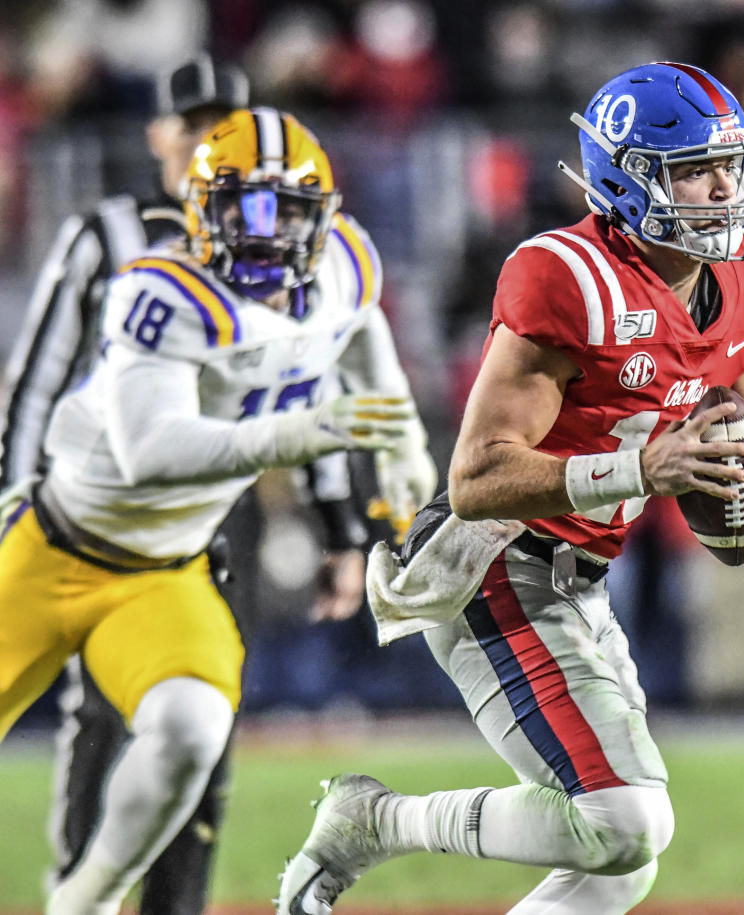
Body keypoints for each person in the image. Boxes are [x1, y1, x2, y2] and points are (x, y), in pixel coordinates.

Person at [277, 61, 744, 915]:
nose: (725, 188)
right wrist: (642, 468)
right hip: (494, 562)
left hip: (580, 576)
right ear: (628, 182)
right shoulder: (568, 276)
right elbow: (475, 478)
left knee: (622, 858)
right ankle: (376, 821)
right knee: (625, 819)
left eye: (731, 164)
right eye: (693, 170)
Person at [0, 104, 436, 915]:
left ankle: (86, 898)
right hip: (51, 547)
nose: (268, 234)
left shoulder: (341, 267)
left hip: (165, 572)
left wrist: (401, 433)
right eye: (246, 208)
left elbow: (361, 326)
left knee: (196, 725)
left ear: (324, 218)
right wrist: (299, 433)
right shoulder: (161, 290)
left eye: (290, 211)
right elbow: (151, 452)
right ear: (201, 210)